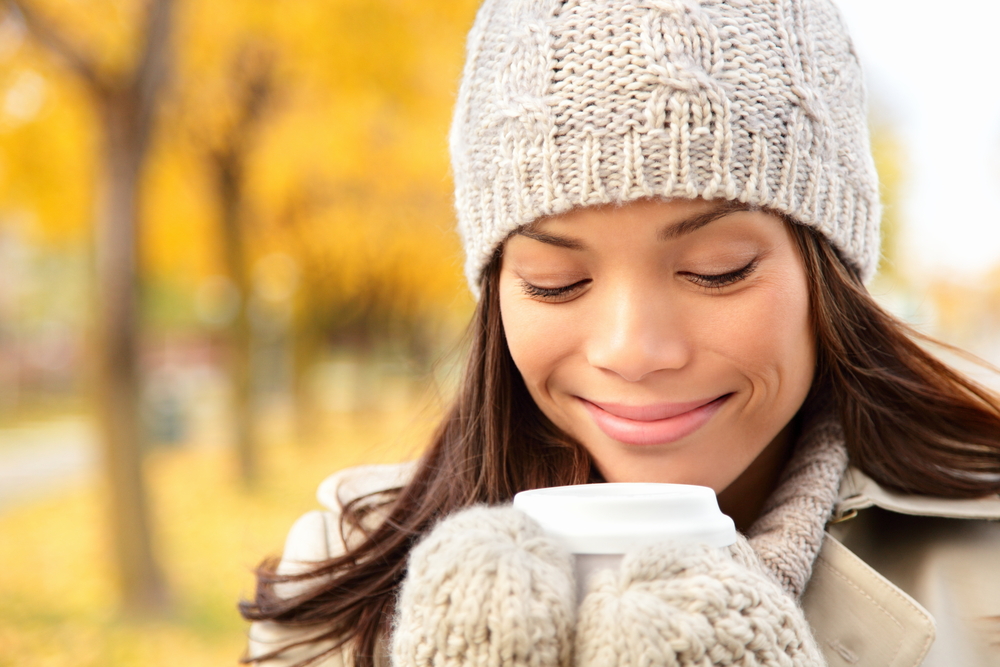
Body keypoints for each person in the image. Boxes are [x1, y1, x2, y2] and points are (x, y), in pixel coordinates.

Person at [241, 0, 1000, 665]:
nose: (632, 351)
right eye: (555, 282)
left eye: (716, 270)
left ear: (827, 274)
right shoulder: (343, 588)